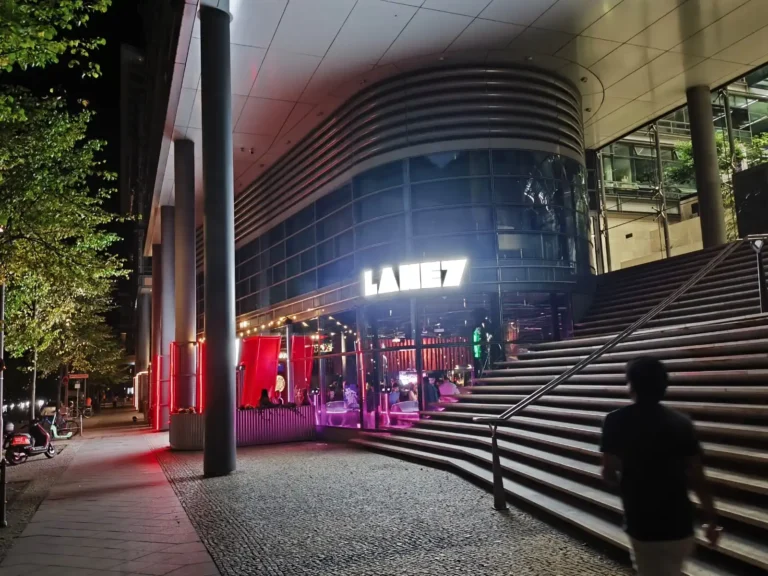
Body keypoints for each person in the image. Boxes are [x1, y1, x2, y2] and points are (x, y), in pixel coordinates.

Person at [600, 357, 720, 576]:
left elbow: (608, 472)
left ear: (631, 386)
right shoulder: (681, 422)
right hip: (680, 524)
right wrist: (711, 519)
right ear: (664, 386)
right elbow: (697, 476)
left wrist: (627, 483)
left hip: (642, 522)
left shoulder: (615, 421)